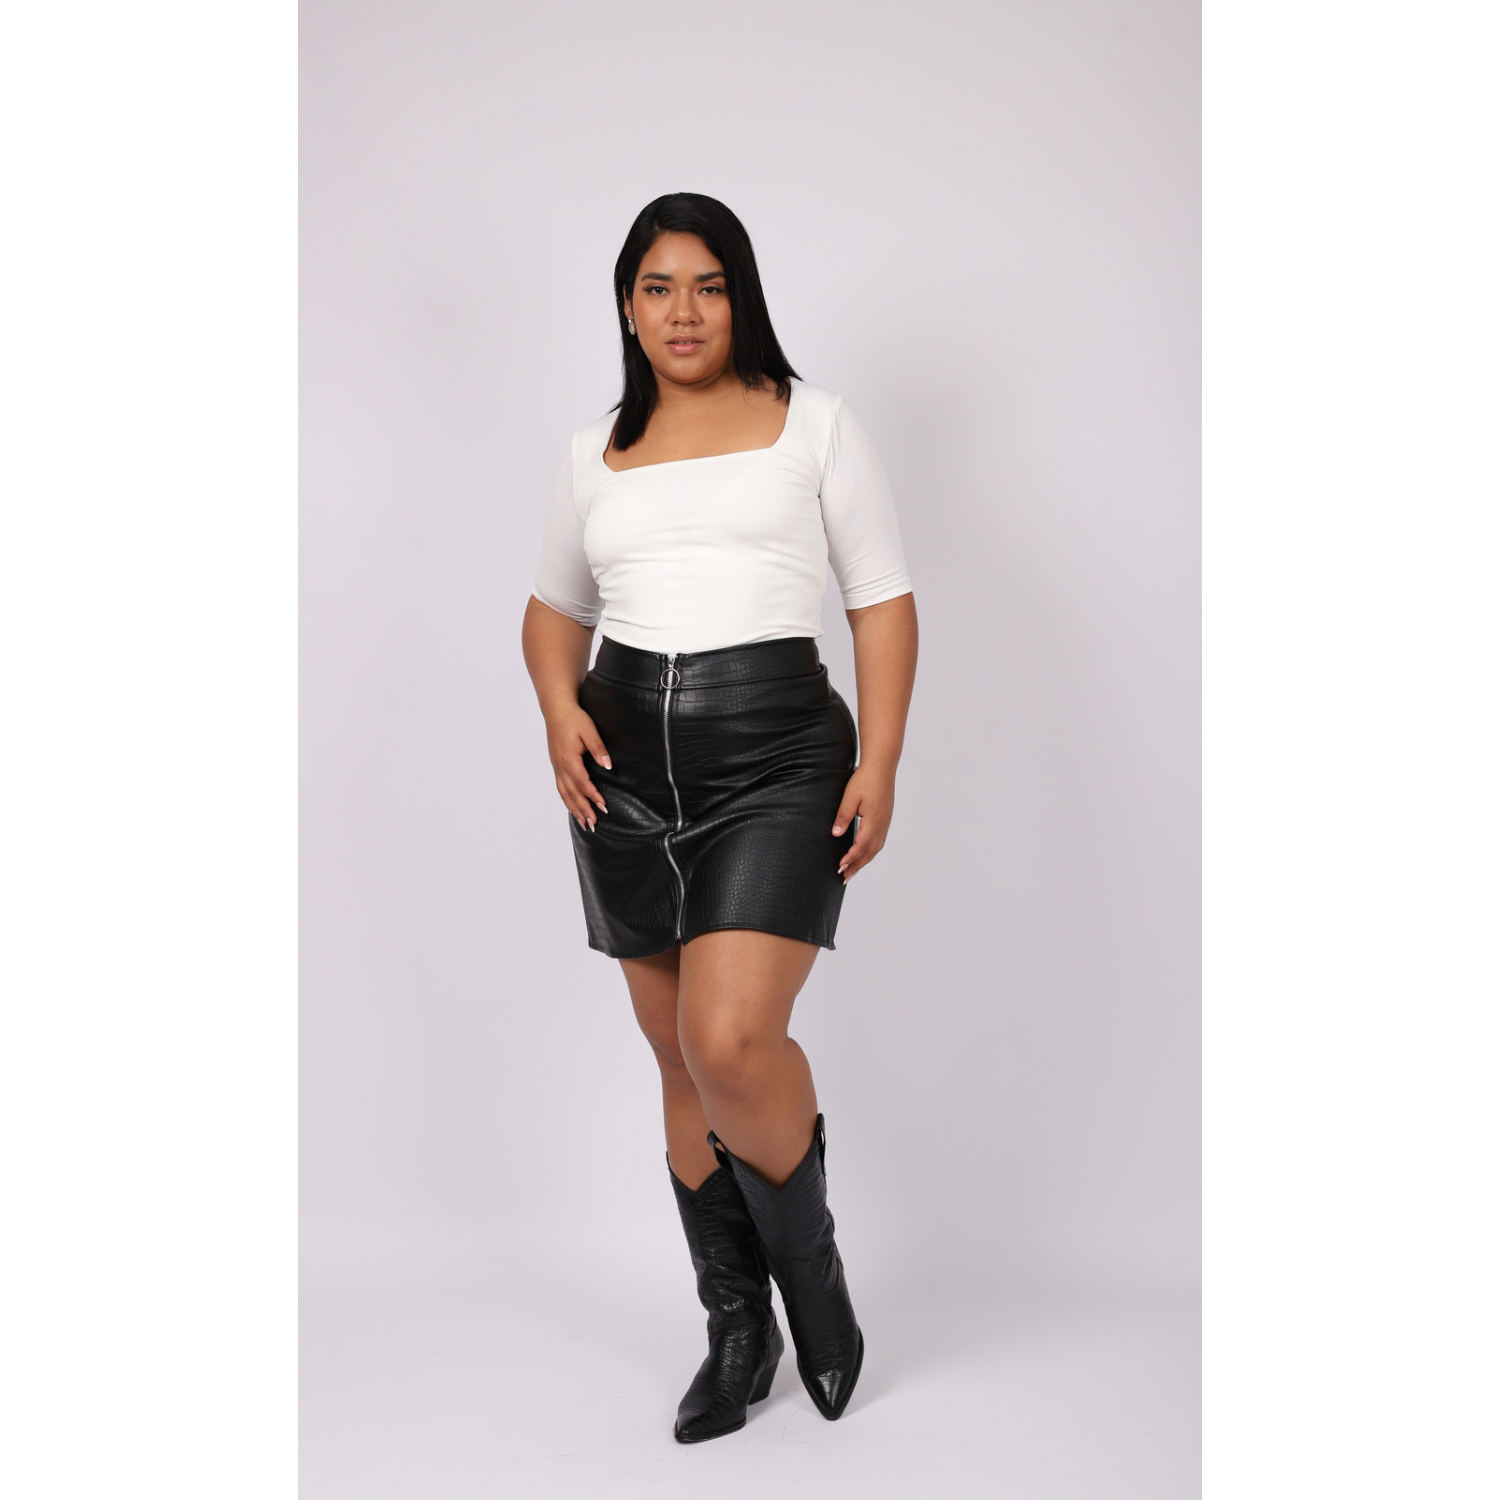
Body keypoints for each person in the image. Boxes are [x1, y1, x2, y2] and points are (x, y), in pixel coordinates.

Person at [521, 192, 918, 1442]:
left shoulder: (815, 424)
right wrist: (557, 708)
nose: (682, 312)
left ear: (740, 296)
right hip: (625, 771)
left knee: (730, 1038)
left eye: (707, 285)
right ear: (627, 307)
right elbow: (552, 610)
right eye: (657, 288)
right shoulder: (594, 451)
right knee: (677, 1055)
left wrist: (882, 759)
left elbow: (881, 599)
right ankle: (736, 1329)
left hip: (778, 758)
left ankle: (815, 1283)